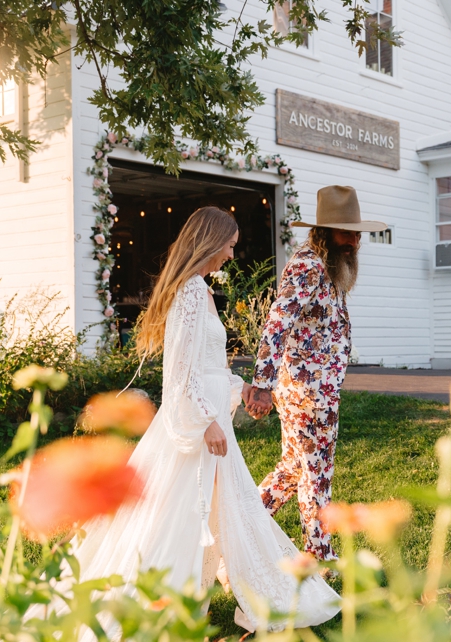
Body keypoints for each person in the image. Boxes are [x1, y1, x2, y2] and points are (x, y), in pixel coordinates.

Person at [63, 206, 339, 632]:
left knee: (222, 509)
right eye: (229, 245)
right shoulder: (190, 293)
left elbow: (207, 366)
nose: (232, 255)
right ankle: (173, 600)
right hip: (198, 427)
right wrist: (204, 421)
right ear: (210, 242)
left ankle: (211, 599)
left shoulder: (201, 290)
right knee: (177, 513)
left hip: (213, 420)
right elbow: (179, 374)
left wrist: (240, 386)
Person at [242, 185, 384, 561]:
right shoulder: (308, 265)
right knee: (316, 475)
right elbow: (277, 323)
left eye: (357, 233)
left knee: (292, 469)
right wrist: (261, 385)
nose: (354, 240)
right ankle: (320, 559)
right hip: (307, 394)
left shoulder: (328, 266)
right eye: (346, 232)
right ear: (323, 232)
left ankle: (241, 527)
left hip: (317, 390)